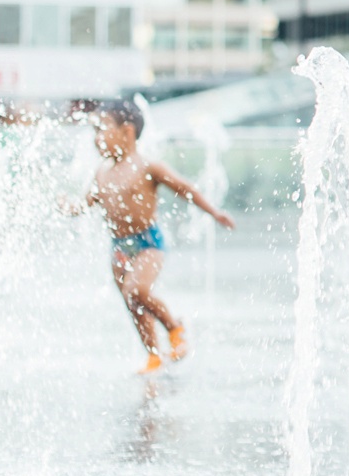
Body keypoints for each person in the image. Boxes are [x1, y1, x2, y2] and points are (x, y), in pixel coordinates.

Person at [68, 100, 235, 374]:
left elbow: (184, 188)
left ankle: (175, 327)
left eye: (102, 129)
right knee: (133, 303)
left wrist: (214, 212)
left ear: (127, 132)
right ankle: (153, 355)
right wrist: (69, 206)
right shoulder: (101, 173)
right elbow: (87, 203)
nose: (96, 138)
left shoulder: (147, 166)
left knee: (137, 290)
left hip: (148, 243)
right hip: (120, 247)